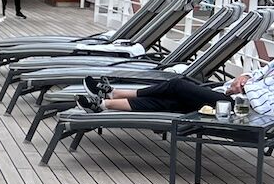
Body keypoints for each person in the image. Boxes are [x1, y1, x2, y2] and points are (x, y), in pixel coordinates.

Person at [77, 63, 274, 119]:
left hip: (245, 110)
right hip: (232, 97)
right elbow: (258, 73)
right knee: (172, 101)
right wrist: (244, 77)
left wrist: (246, 86)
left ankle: (116, 93)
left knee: (177, 85)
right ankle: (103, 104)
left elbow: (268, 103)